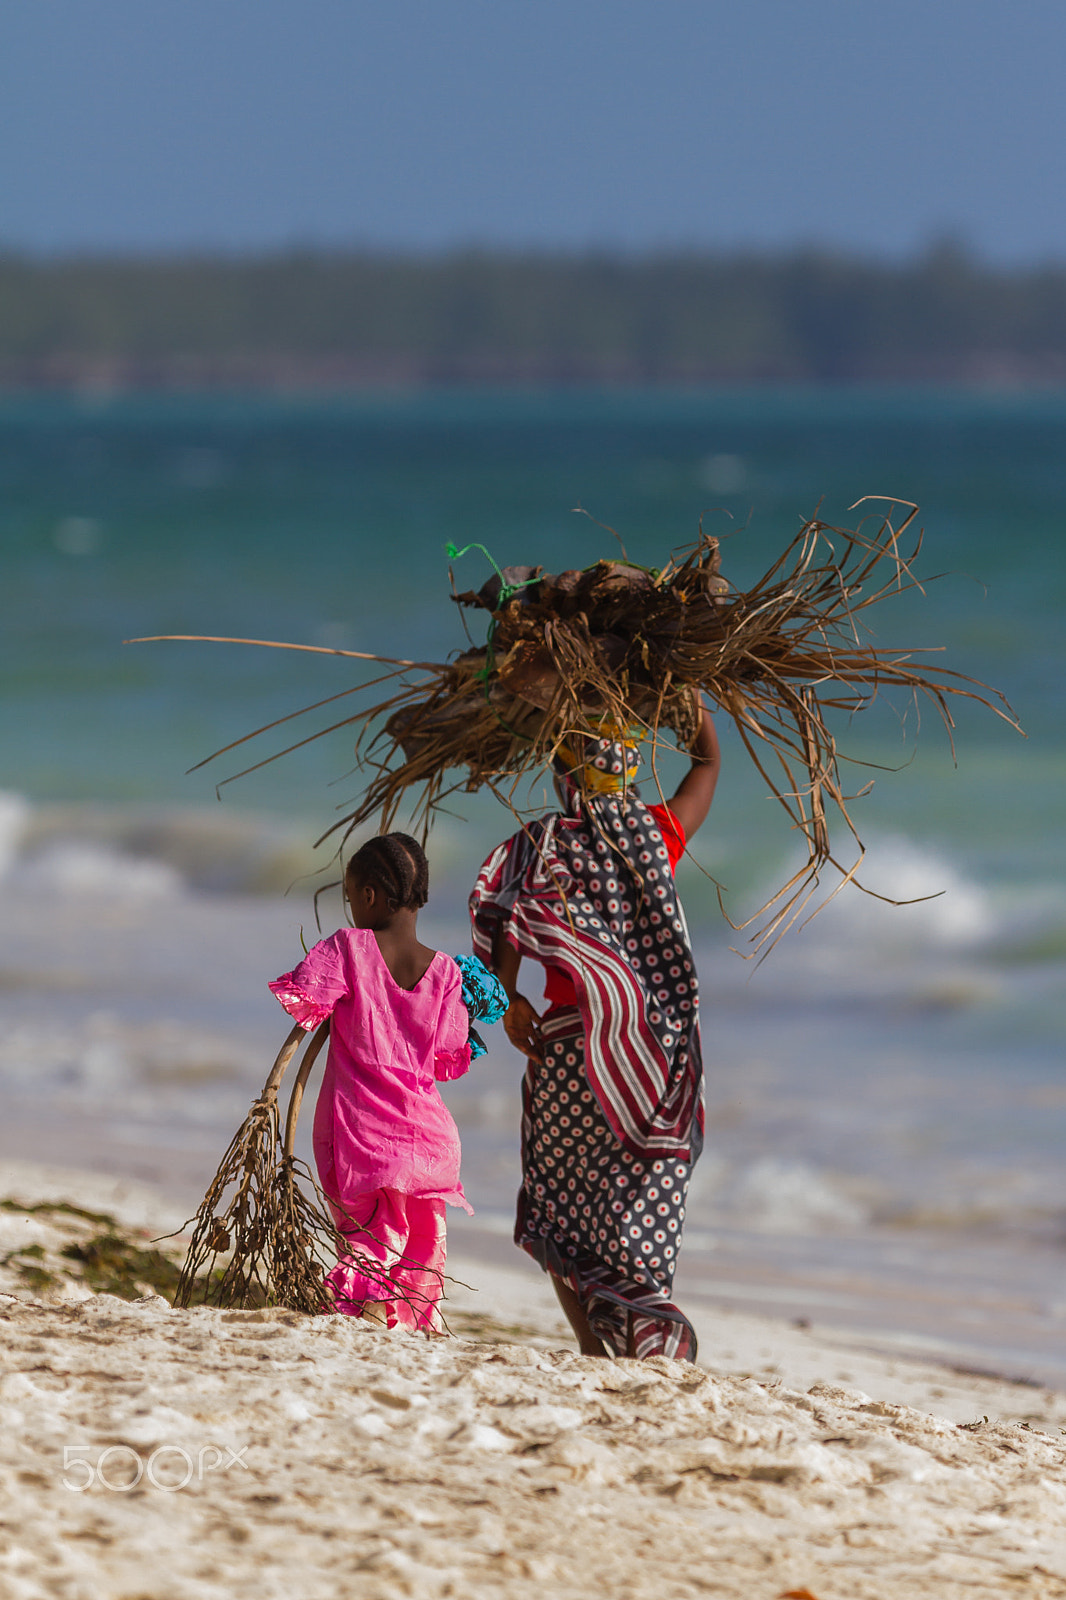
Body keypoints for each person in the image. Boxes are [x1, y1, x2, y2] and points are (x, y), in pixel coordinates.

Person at [470, 702, 720, 1360]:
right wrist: (691, 705)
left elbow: (502, 931)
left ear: (561, 767)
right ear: (631, 766)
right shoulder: (655, 833)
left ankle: (590, 1341)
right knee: (641, 1195)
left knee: (557, 1201)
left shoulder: (542, 846)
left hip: (568, 1053)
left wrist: (509, 1004)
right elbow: (707, 763)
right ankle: (641, 1321)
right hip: (650, 1057)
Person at [269, 832, 506, 1332]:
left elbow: (307, 1003)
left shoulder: (348, 948)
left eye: (351, 897)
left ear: (370, 895)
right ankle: (413, 1320)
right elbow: (444, 1054)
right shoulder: (446, 973)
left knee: (369, 1235)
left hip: (363, 1130)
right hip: (429, 1137)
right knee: (422, 1240)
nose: (352, 907)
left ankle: (365, 1312)